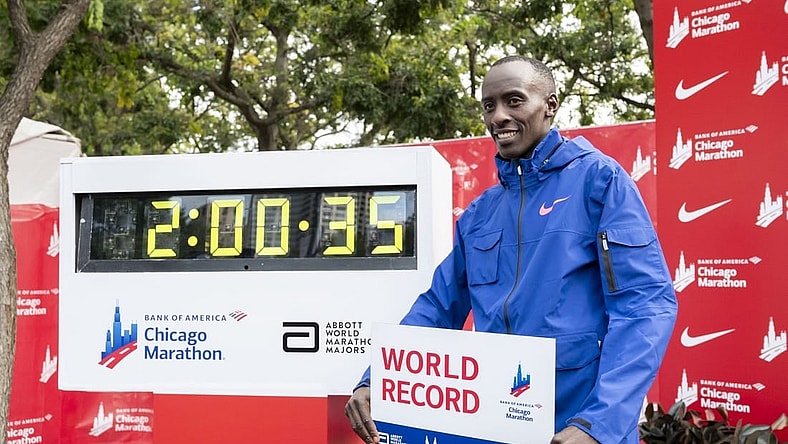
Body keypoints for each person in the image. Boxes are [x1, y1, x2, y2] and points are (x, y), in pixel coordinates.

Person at [345, 55, 678, 444]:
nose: (498, 116)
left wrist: (597, 424)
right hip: (494, 423)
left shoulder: (600, 182)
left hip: (579, 424)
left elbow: (645, 306)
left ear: (550, 105)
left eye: (514, 100)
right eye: (489, 105)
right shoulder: (479, 214)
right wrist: (379, 379)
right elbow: (437, 307)